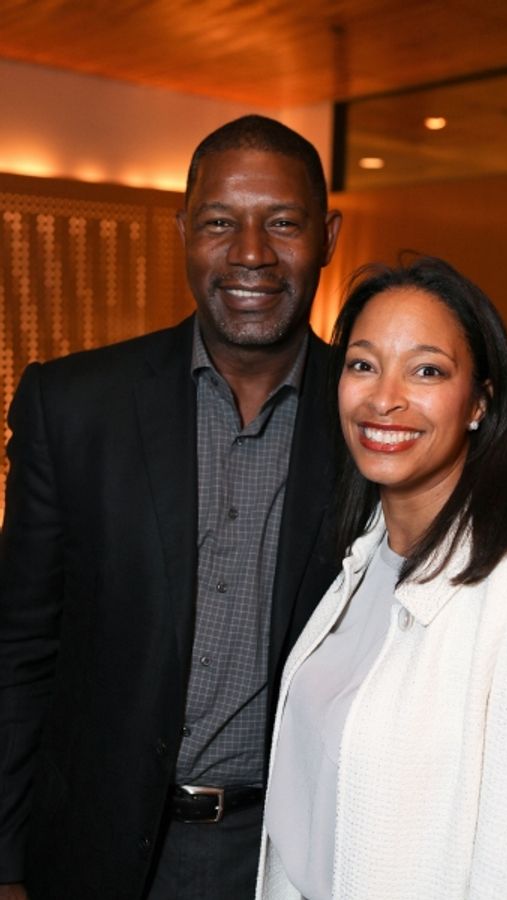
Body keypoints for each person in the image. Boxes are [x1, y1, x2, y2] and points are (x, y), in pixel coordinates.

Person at [0, 115, 342, 900]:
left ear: (327, 235)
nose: (251, 252)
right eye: (221, 222)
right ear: (183, 230)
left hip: (288, 856)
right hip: (91, 848)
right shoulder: (74, 406)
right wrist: (6, 864)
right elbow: (18, 649)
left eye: (282, 222)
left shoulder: (372, 426)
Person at [257, 256, 507, 900]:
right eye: (363, 364)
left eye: (427, 371)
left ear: (479, 402)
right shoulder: (365, 558)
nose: (384, 398)